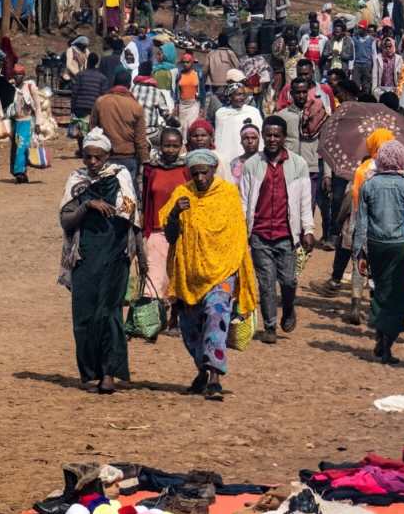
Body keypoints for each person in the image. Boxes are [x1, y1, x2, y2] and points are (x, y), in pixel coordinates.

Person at [163, 149, 257, 401]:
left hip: (222, 271)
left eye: (204, 173)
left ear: (214, 170)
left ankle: (215, 377)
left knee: (216, 317)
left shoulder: (227, 194)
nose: (200, 178)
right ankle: (202, 372)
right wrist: (175, 213)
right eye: (195, 174)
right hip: (190, 274)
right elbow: (171, 237)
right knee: (191, 328)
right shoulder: (182, 194)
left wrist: (238, 269)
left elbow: (238, 235)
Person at [58, 129, 139, 395]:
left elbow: (132, 216)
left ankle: (109, 374)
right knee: (84, 314)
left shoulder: (120, 175)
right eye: (88, 157)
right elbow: (65, 220)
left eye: (98, 157)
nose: (92, 162)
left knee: (110, 313)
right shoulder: (76, 179)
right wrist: (87, 205)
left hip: (115, 254)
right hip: (85, 257)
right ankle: (91, 371)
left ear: (108, 155)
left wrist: (141, 256)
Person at [238, 117, 315, 342]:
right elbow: (244, 200)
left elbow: (305, 201)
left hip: (286, 235)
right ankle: (270, 326)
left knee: (288, 281)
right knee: (266, 283)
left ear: (284, 137)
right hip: (260, 234)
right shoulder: (252, 164)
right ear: (263, 136)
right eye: (268, 135)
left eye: (276, 135)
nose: (272, 139)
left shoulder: (298, 164)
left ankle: (289, 308)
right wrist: (242, 230)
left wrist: (308, 229)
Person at [354, 140, 404, 363]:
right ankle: (387, 344)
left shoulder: (369, 185)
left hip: (376, 244)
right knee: (398, 295)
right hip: (400, 245)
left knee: (379, 290)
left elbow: (361, 223)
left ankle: (380, 337)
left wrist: (359, 252)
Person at [141, 127, 190, 322]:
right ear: (160, 146)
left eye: (175, 146)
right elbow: (146, 199)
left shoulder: (187, 170)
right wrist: (144, 229)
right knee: (154, 276)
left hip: (181, 231)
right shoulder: (151, 170)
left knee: (178, 275)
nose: (170, 150)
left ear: (181, 147)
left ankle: (175, 320)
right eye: (166, 145)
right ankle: (154, 320)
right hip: (156, 229)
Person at [90, 69, 149, 185]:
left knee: (105, 190)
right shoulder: (136, 106)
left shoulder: (100, 102)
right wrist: (145, 162)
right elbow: (140, 140)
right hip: (128, 157)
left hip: (105, 156)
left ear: (113, 83)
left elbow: (93, 131)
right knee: (127, 191)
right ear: (129, 86)